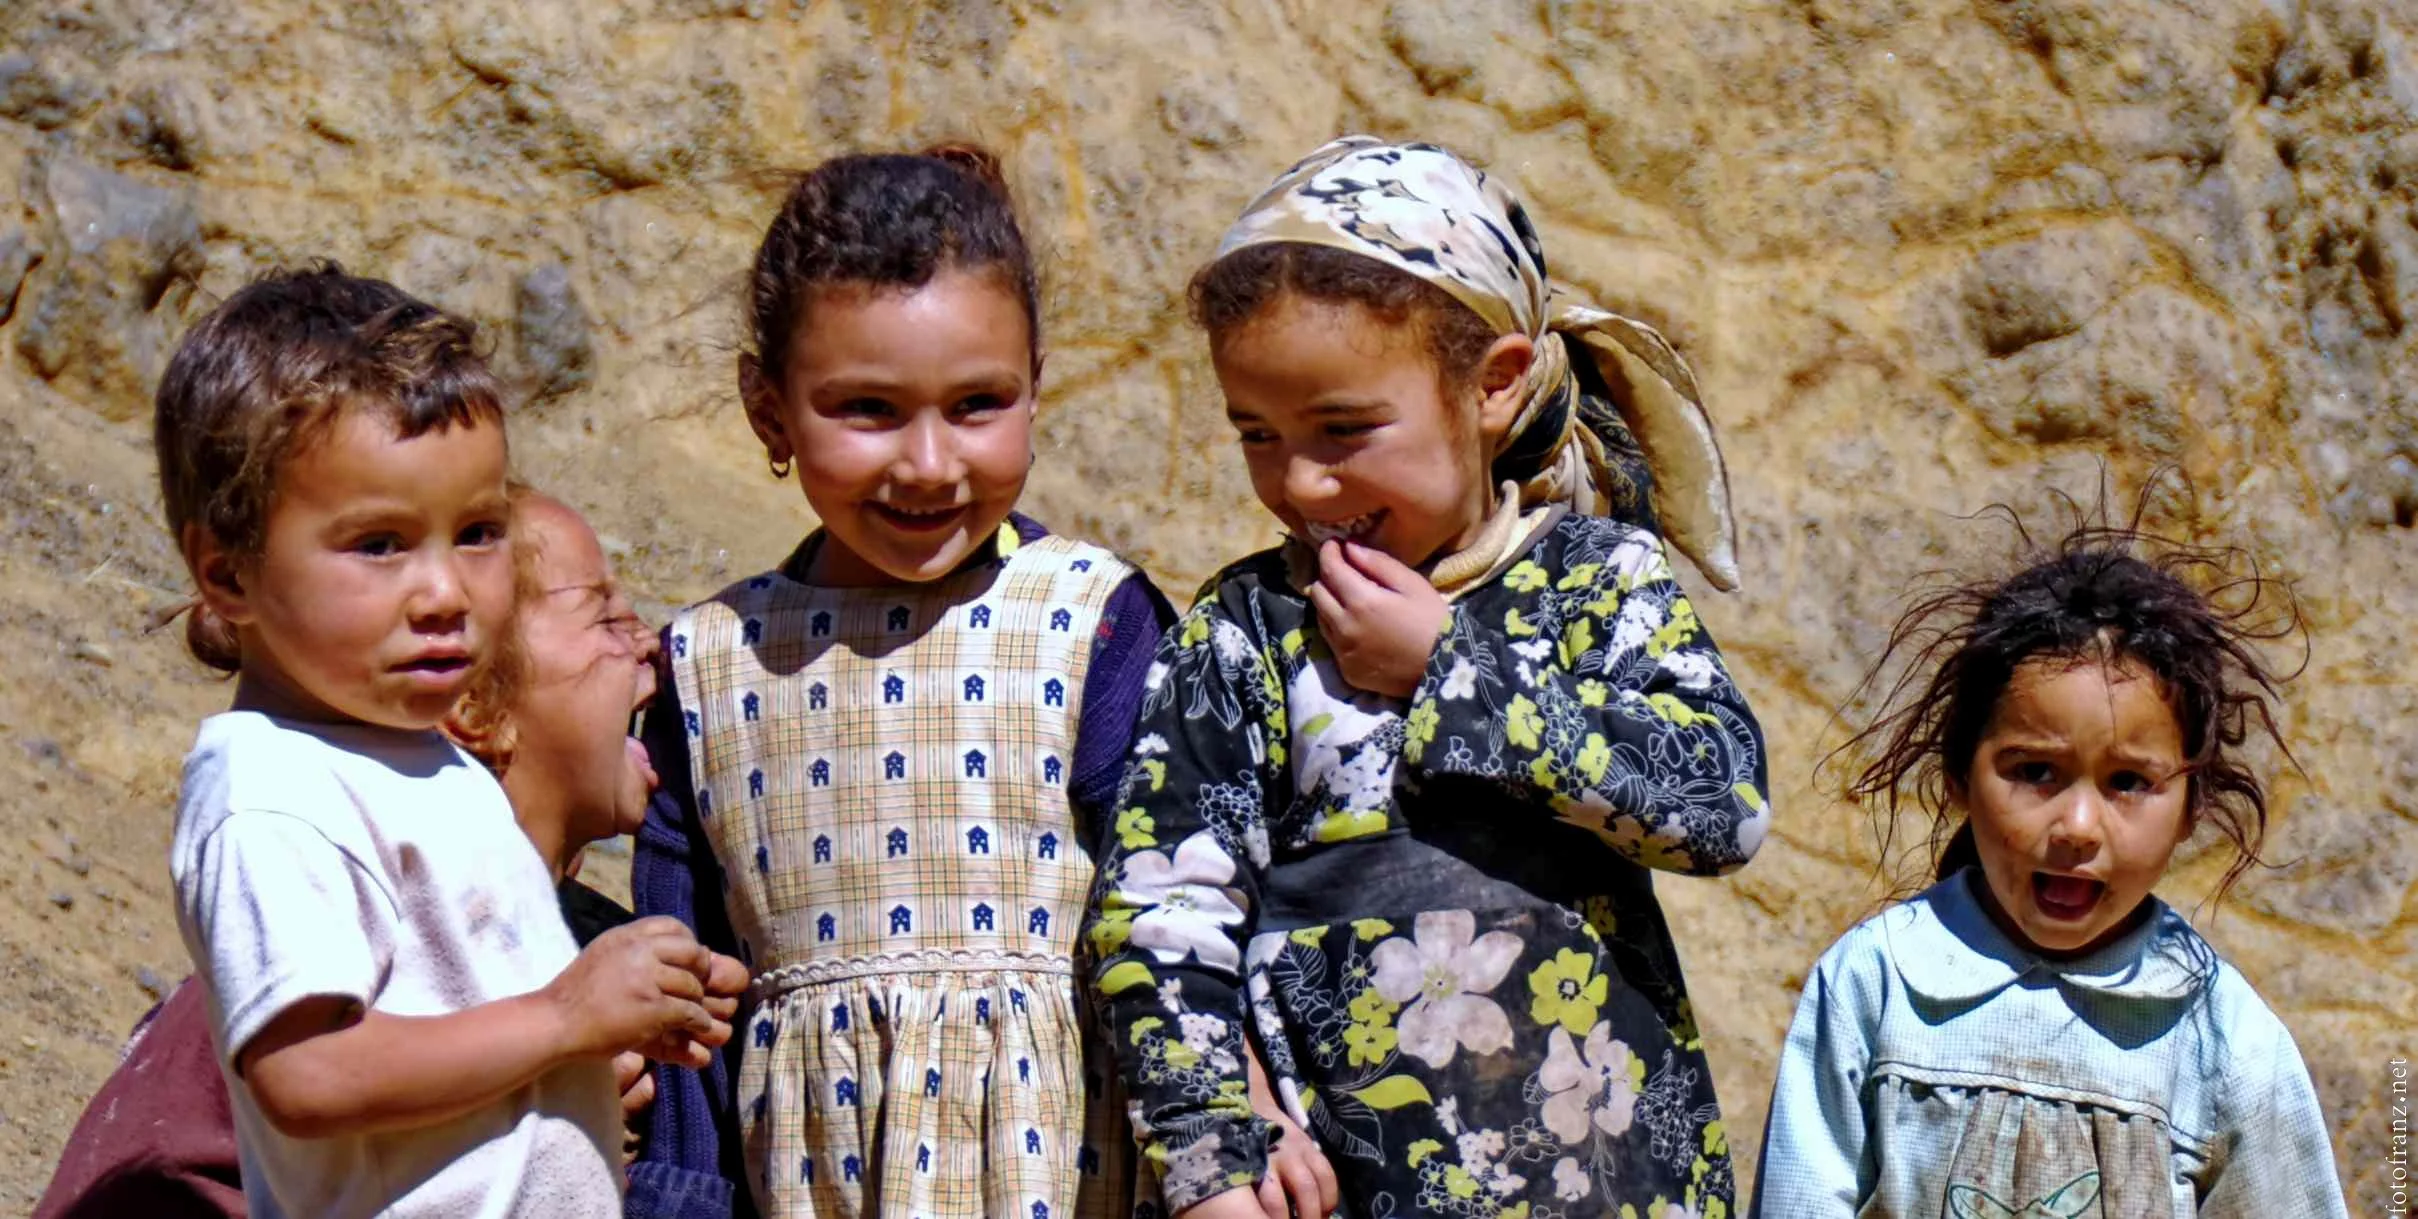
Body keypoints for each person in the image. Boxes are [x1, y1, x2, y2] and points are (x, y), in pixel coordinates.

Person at [1085, 136, 1770, 1219]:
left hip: (1615, 1184)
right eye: (1256, 434)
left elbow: (1720, 804)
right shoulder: (1245, 632)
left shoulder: (1595, 584)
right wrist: (1217, 1146)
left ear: (1493, 385)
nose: (1301, 481)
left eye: (1345, 430)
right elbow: (1160, 912)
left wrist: (1450, 667)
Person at [629, 145, 1187, 1219]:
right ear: (769, 410)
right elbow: (686, 1009)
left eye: (978, 403)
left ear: (1036, 383)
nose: (930, 464)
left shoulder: (1091, 621)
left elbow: (1174, 922)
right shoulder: (705, 667)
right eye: (869, 410)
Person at [156, 265, 741, 1217]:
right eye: (380, 545)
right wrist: (563, 1018)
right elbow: (309, 1074)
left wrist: (617, 1018)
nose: (447, 593)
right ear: (229, 574)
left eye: (477, 533)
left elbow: (472, 1024)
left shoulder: (423, 764)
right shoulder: (269, 792)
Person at [34, 487, 680, 1219]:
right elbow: (158, 1165)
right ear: (474, 705)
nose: (654, 643)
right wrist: (556, 1031)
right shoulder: (323, 914)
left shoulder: (535, 938)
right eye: (608, 617)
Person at [1750, 517, 2352, 1216]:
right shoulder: (1874, 987)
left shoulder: (2224, 1040)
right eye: (2035, 770)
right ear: (1959, 775)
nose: (2076, 826)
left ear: (2192, 806)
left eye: (2129, 781)